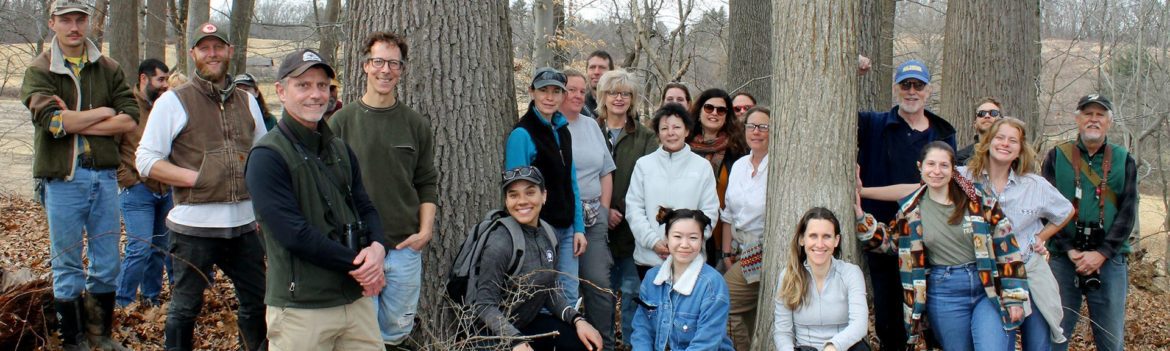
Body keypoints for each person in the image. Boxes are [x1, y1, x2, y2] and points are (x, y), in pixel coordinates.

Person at [137, 22, 268, 351]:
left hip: (243, 226)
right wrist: (198, 178)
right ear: (193, 53)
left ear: (230, 51)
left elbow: (263, 155)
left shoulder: (247, 101)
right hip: (193, 227)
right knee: (185, 308)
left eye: (218, 46)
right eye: (204, 48)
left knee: (258, 302)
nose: (212, 53)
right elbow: (146, 160)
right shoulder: (174, 102)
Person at [245, 48, 386, 350]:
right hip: (301, 308)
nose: (315, 94)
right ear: (281, 91)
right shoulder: (267, 157)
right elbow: (294, 234)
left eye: (322, 85)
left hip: (355, 301)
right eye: (304, 85)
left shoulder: (340, 150)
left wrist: (377, 248)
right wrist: (360, 263)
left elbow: (365, 206)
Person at [20, 1, 139, 349]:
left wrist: (79, 119)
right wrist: (103, 113)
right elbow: (54, 122)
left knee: (108, 262)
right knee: (67, 263)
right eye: (66, 20)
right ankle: (72, 340)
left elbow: (130, 117)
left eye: (80, 19)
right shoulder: (39, 69)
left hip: (103, 177)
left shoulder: (108, 67)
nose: (74, 27)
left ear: (90, 23)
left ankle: (99, 335)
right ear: (52, 22)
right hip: (62, 180)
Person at [855, 141, 1027, 351]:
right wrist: (863, 220)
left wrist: (1014, 296)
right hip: (945, 290)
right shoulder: (910, 211)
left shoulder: (978, 199)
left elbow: (1006, 245)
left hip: (986, 285)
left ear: (953, 169)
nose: (937, 171)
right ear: (920, 166)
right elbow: (890, 244)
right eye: (931, 164)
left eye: (944, 165)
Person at [329, 31, 440, 350]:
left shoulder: (415, 124)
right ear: (365, 66)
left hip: (405, 248)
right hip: (359, 250)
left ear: (402, 70)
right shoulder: (341, 123)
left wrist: (425, 232)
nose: (385, 70)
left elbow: (426, 181)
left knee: (395, 333)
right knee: (361, 335)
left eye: (394, 63)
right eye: (378, 61)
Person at [855, 59, 955, 351]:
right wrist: (853, 73)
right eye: (906, 85)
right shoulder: (874, 124)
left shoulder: (942, 133)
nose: (912, 91)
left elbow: (933, 185)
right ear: (896, 88)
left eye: (918, 85)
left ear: (928, 90)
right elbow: (832, 109)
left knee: (937, 321)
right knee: (889, 321)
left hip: (931, 239)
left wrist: (865, 190)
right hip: (881, 236)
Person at [1041, 94, 1138, 351]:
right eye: (1088, 114)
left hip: (1110, 261)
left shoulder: (1123, 159)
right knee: (1055, 334)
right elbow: (1045, 209)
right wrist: (1070, 250)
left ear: (1109, 122)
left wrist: (1102, 253)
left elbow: (1128, 213)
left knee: (1111, 339)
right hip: (1063, 259)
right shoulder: (1056, 156)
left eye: (1100, 115)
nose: (1093, 120)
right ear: (1077, 119)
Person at [966, 117, 1071, 350]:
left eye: (1013, 140)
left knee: (1038, 343)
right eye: (999, 137)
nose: (1005, 144)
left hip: (1029, 273)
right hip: (989, 277)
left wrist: (1041, 237)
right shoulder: (965, 179)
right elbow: (926, 187)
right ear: (988, 142)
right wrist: (866, 191)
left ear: (1020, 149)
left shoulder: (1034, 185)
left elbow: (1065, 211)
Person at [471, 166, 603, 351]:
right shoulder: (500, 242)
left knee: (580, 344)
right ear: (506, 201)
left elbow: (546, 291)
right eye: (513, 195)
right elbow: (485, 305)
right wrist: (515, 341)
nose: (522, 201)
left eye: (530, 193)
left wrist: (577, 319)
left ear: (544, 196)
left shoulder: (549, 235)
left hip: (527, 324)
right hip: (493, 333)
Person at [505, 67, 588, 307]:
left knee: (569, 294)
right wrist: (529, 233)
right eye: (543, 91)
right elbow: (516, 193)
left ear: (563, 96)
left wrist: (579, 227)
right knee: (541, 297)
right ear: (532, 92)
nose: (550, 97)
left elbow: (571, 181)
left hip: (567, 227)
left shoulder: (563, 131)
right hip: (540, 230)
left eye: (556, 91)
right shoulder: (523, 134)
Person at [593, 69, 658, 347]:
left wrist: (619, 209)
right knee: (600, 296)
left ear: (632, 100)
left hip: (632, 232)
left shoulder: (645, 137)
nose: (618, 98)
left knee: (632, 295)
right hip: (595, 227)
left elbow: (649, 180)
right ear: (602, 97)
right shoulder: (589, 130)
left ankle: (633, 345)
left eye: (625, 93)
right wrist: (602, 209)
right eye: (613, 93)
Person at [626, 103, 719, 277]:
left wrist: (685, 244)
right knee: (653, 304)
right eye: (664, 128)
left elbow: (710, 211)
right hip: (650, 259)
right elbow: (634, 209)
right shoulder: (644, 165)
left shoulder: (702, 167)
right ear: (658, 133)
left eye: (677, 127)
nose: (671, 133)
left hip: (690, 260)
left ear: (687, 131)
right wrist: (653, 242)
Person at [560, 69, 617, 350]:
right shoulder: (552, 127)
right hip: (563, 219)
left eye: (582, 91)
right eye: (572, 89)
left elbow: (606, 171)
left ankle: (604, 344)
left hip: (595, 218)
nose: (578, 95)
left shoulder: (592, 125)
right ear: (559, 91)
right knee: (564, 287)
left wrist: (604, 212)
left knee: (598, 284)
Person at [630, 208, 734, 350]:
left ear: (702, 240)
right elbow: (642, 330)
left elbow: (706, 344)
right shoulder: (652, 278)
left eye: (693, 238)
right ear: (666, 238)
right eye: (677, 236)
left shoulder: (712, 284)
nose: (684, 244)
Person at [115, 58, 172, 308]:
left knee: (159, 248)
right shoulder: (127, 107)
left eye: (166, 80)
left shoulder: (166, 106)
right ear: (143, 79)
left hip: (165, 189)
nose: (164, 85)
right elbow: (111, 149)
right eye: (160, 79)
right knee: (139, 247)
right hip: (138, 191)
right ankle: (122, 301)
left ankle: (151, 299)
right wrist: (130, 182)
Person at [773, 208, 868, 351]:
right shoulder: (788, 276)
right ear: (802, 239)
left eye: (826, 236)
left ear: (836, 240)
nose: (820, 244)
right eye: (813, 236)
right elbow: (783, 332)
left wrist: (832, 346)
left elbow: (859, 324)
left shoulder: (851, 273)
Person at [721, 107, 770, 350]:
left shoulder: (778, 168)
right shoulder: (740, 165)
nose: (756, 132)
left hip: (762, 251)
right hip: (737, 249)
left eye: (764, 127)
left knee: (724, 302)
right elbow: (728, 213)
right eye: (751, 126)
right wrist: (726, 252)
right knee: (749, 313)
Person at [687, 88, 747, 268]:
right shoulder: (683, 148)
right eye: (709, 108)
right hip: (687, 231)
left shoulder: (738, 150)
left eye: (721, 110)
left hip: (724, 235)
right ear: (699, 112)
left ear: (727, 116)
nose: (714, 113)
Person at [956, 97, 1003, 165]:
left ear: (1002, 121)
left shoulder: (1012, 154)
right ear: (975, 124)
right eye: (981, 113)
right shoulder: (959, 159)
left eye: (993, 113)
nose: (987, 116)